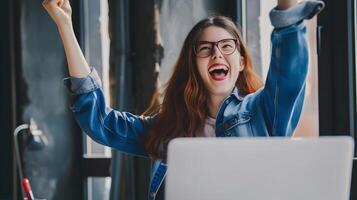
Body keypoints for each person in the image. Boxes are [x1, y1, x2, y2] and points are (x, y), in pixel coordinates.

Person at [43, 0, 324, 199]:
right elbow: (101, 123)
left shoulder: (264, 113)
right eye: (205, 48)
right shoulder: (172, 132)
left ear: (240, 62)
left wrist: (287, 9)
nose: (217, 54)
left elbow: (288, 69)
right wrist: (65, 25)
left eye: (227, 46)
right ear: (194, 66)